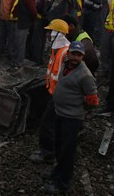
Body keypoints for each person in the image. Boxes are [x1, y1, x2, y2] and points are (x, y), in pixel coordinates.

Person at [44, 41, 98, 194]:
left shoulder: (85, 75)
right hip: (60, 112)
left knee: (68, 150)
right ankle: (57, 172)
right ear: (68, 53)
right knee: (59, 145)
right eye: (73, 53)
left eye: (79, 55)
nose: (75, 57)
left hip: (72, 118)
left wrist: (79, 109)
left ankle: (63, 183)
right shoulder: (66, 66)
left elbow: (93, 100)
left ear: (82, 57)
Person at [29, 19, 71, 166]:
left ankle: (49, 154)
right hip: (53, 92)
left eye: (51, 32)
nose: (48, 34)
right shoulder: (58, 49)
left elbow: (65, 77)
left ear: (58, 34)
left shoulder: (65, 53)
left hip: (58, 96)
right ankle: (50, 152)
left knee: (48, 124)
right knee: (49, 123)